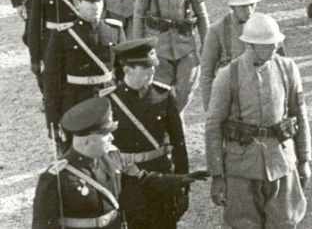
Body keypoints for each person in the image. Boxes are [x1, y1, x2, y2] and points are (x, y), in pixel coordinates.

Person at [32, 97, 208, 229]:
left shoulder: (111, 156)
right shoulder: (56, 178)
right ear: (88, 140)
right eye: (106, 134)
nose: (112, 137)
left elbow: (141, 179)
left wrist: (180, 179)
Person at [205, 13, 311, 229]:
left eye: (275, 43)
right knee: (243, 224)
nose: (275, 48)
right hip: (242, 168)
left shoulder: (287, 68)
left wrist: (304, 160)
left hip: (281, 163)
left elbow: (299, 115)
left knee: (285, 222)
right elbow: (213, 127)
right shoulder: (227, 75)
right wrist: (217, 175)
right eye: (268, 44)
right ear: (251, 45)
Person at [108, 38, 191, 229]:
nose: (152, 72)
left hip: (160, 172)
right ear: (127, 70)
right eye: (145, 68)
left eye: (153, 66)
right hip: (128, 179)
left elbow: (179, 143)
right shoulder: (111, 100)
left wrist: (181, 185)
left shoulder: (163, 94)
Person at [43, 0, 126, 141]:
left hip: (108, 97)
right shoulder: (63, 34)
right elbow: (51, 80)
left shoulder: (114, 29)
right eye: (90, 2)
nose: (96, 6)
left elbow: (123, 70)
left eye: (99, 1)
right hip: (76, 99)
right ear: (76, 3)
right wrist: (52, 120)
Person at [133, 0, 210, 112]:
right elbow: (138, 15)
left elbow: (202, 15)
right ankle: (164, 124)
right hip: (158, 46)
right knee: (158, 88)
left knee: (187, 87)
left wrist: (207, 43)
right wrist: (139, 48)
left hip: (185, 46)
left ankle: (175, 117)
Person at [26, 0, 80, 92]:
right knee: (53, 79)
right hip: (51, 40)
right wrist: (34, 58)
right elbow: (35, 26)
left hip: (78, 39)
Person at [200, 0, 262, 110]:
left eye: (252, 5)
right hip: (230, 96)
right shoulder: (217, 30)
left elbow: (281, 63)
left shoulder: (265, 26)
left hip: (260, 93)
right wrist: (210, 109)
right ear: (233, 7)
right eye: (243, 6)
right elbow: (207, 74)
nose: (249, 11)